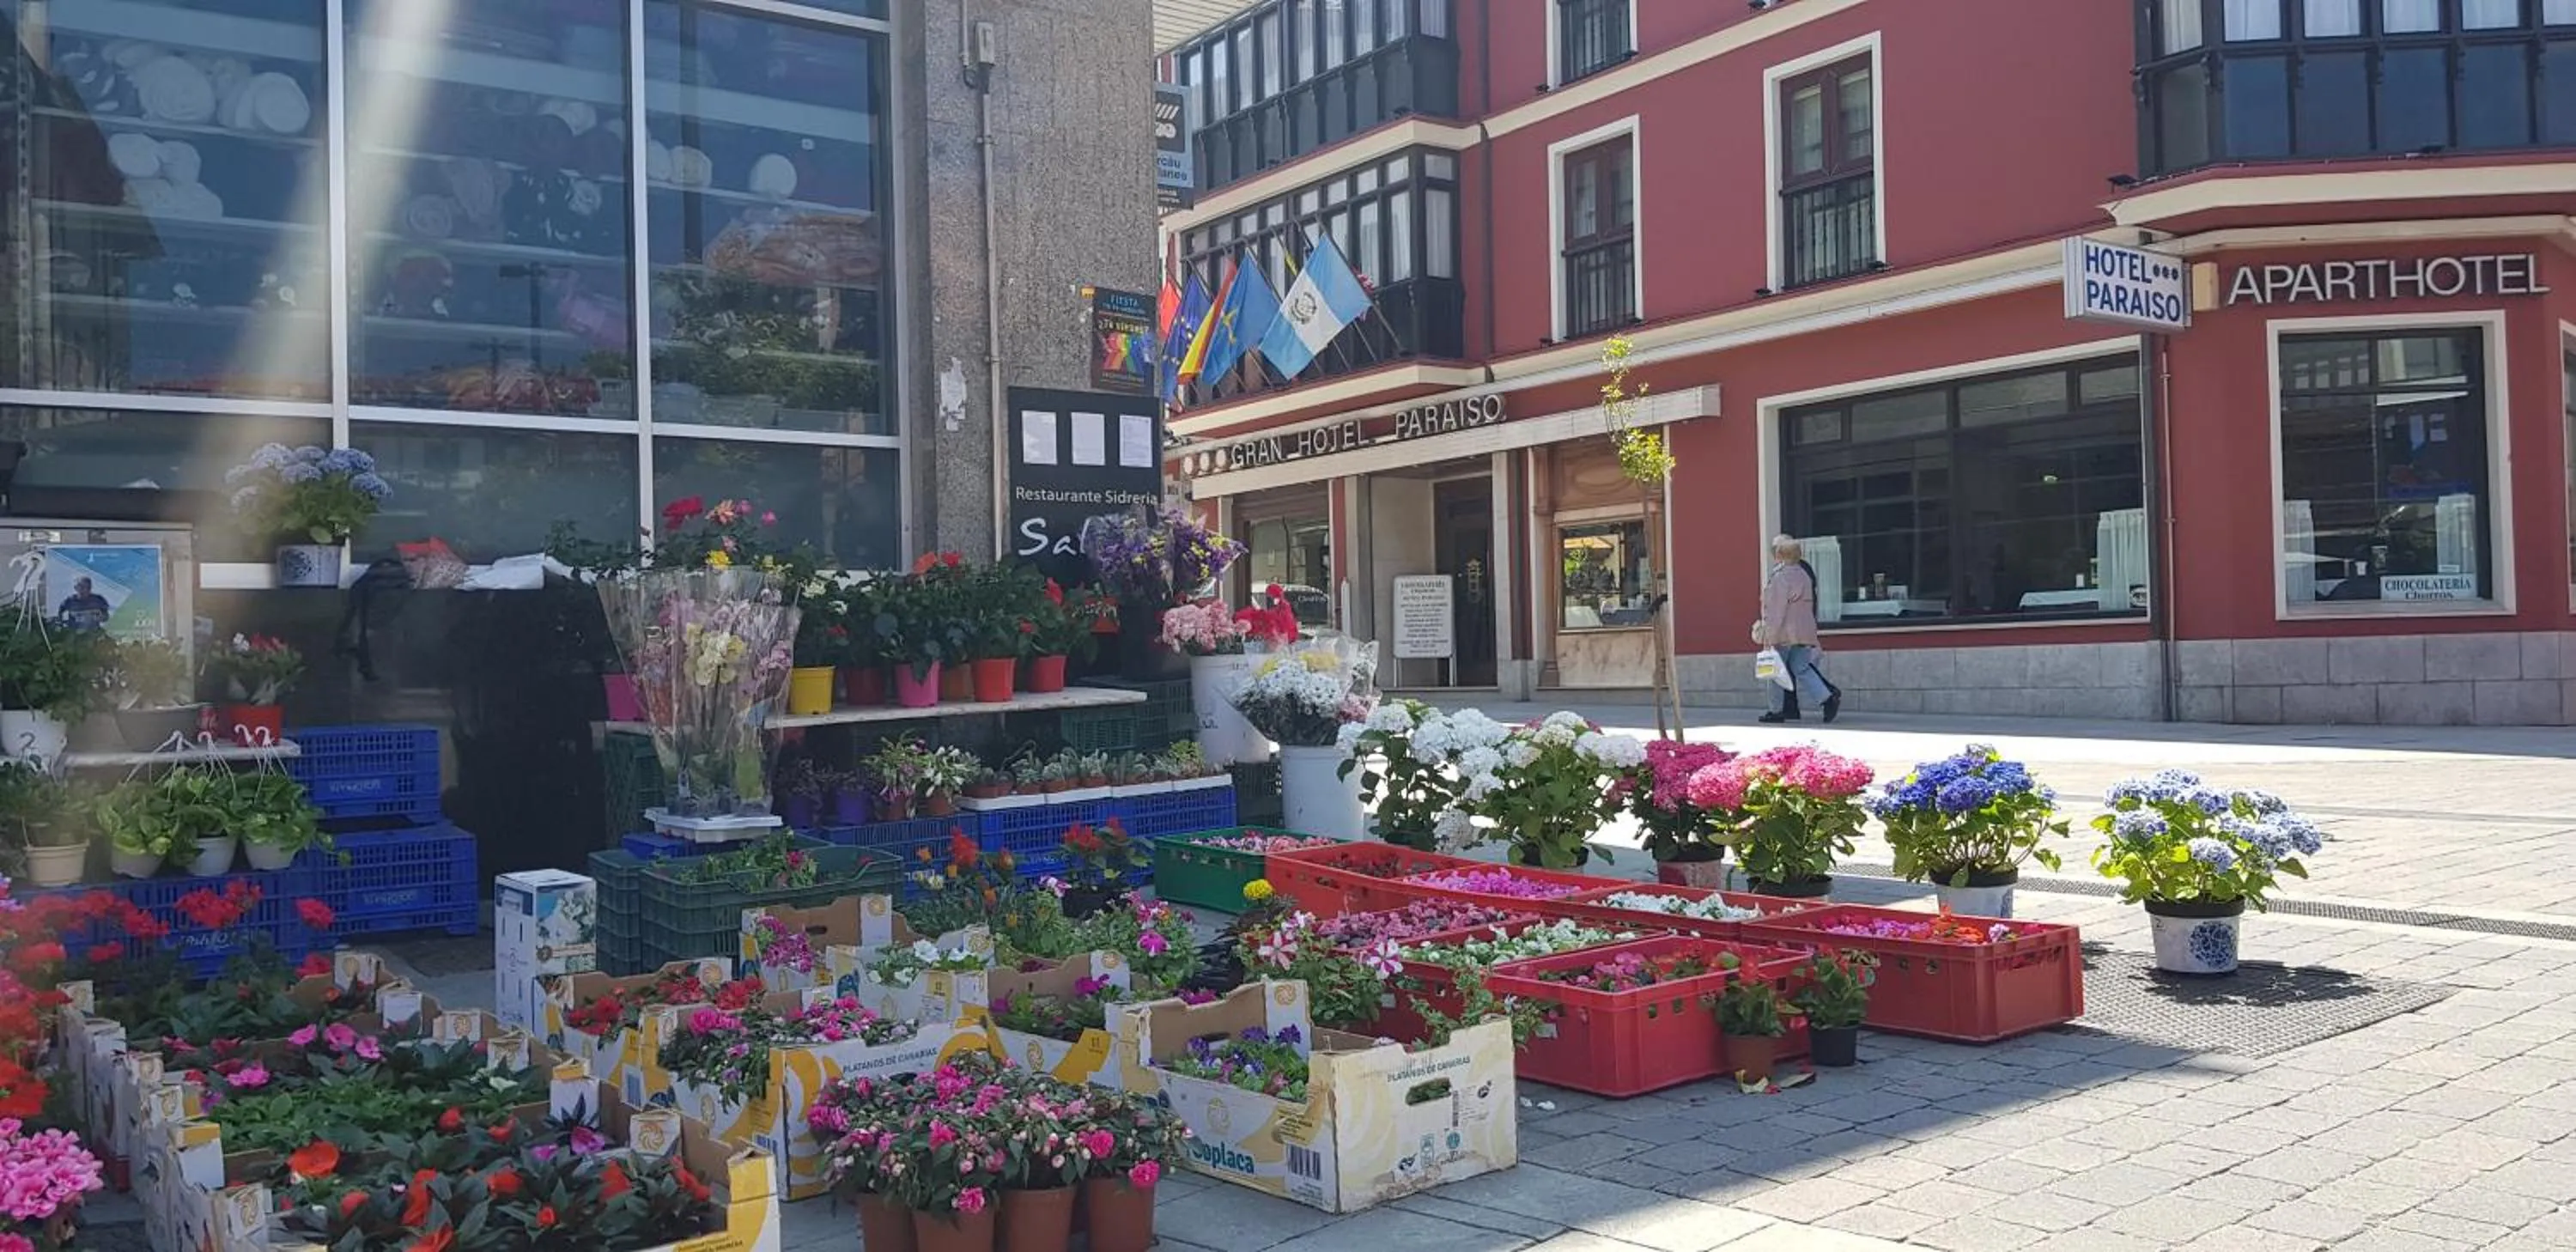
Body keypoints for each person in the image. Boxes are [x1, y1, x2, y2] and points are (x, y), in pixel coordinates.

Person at [1757, 535, 1838, 724]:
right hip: (1805, 632)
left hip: (1784, 633)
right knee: (1801, 668)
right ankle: (1827, 699)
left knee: (1776, 670)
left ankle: (1776, 711)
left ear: (1779, 555)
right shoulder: (1804, 575)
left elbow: (1777, 610)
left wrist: (1770, 635)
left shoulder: (1780, 577)